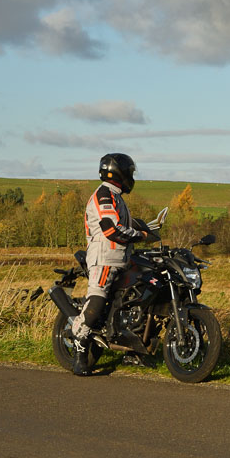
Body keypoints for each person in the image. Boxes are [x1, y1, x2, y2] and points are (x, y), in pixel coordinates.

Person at [71, 153, 148, 376]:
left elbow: (123, 224)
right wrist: (140, 236)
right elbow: (111, 229)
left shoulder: (115, 196)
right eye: (130, 173)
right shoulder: (104, 195)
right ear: (120, 173)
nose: (131, 177)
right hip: (104, 257)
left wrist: (146, 231)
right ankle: (80, 354)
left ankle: (132, 352)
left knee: (128, 302)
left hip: (121, 258)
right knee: (97, 299)